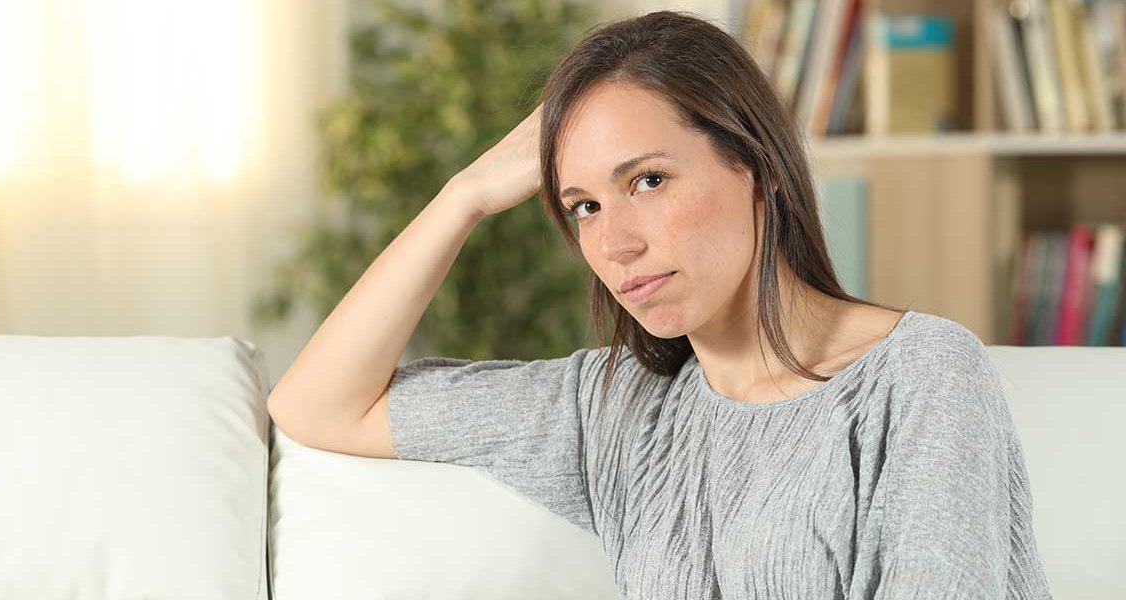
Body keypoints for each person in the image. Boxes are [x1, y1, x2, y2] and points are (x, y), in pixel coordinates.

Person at [267, 10, 1053, 600]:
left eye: (647, 181)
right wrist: (464, 197)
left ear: (757, 167)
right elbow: (316, 406)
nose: (614, 244)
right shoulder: (615, 408)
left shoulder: (921, 376)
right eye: (583, 206)